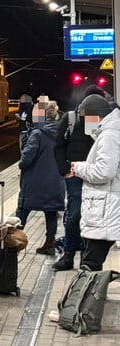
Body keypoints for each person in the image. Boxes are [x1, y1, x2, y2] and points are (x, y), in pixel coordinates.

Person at [53, 85, 109, 270]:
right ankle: (69, 255)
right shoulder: (71, 118)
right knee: (75, 214)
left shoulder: (106, 122)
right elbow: (58, 145)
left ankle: (87, 257)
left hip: (96, 174)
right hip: (75, 173)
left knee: (93, 217)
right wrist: (64, 170)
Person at [68, 94, 120, 271]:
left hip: (105, 209)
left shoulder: (109, 136)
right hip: (104, 207)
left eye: (85, 117)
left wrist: (78, 167)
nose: (84, 122)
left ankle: (85, 299)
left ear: (94, 115)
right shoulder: (109, 132)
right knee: (91, 262)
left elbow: (104, 172)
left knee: (90, 265)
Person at [15, 98, 64, 255]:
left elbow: (26, 159)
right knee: (51, 211)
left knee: (22, 210)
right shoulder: (61, 133)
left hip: (34, 182)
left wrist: (21, 163)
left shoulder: (37, 133)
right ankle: (49, 244)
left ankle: (13, 242)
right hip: (55, 181)